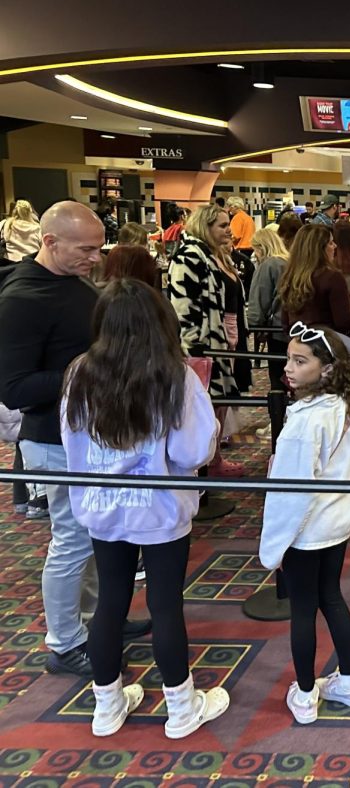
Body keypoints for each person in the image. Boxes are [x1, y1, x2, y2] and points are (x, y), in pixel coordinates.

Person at [62, 278, 228, 738]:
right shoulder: (175, 375)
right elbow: (193, 452)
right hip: (158, 506)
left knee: (110, 600)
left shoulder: (79, 372)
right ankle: (180, 705)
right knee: (165, 603)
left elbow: (70, 441)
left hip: (101, 504)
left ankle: (107, 703)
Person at [0, 201, 151, 677]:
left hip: (88, 434)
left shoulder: (70, 281)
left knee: (93, 537)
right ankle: (64, 642)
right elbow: (12, 387)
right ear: (50, 242)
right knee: (72, 540)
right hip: (54, 439)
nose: (95, 257)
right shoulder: (22, 298)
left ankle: (95, 620)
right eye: (85, 249)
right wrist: (86, 372)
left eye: (97, 247)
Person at [261, 322, 350, 724]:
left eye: (299, 360)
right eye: (289, 358)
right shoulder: (349, 406)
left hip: (306, 532)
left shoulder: (306, 423)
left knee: (303, 610)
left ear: (326, 369)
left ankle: (306, 695)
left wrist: (273, 546)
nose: (287, 367)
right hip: (338, 523)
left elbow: (290, 494)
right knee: (333, 597)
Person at [167, 204, 248, 477]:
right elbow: (182, 306)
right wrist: (193, 345)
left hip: (223, 339)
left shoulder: (214, 255)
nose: (229, 230)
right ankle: (201, 465)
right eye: (223, 226)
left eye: (228, 224)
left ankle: (213, 459)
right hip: (203, 344)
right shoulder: (189, 255)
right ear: (205, 226)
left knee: (219, 402)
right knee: (203, 406)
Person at [279, 224, 350, 334]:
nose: (335, 246)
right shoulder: (333, 278)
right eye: (330, 243)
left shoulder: (289, 277)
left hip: (298, 344)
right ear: (319, 249)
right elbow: (344, 322)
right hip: (327, 343)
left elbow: (285, 323)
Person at [247, 227, 289, 392]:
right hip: (293, 330)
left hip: (277, 331)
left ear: (261, 247)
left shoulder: (268, 266)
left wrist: (252, 326)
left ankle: (278, 415)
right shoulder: (289, 261)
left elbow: (258, 301)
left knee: (278, 382)